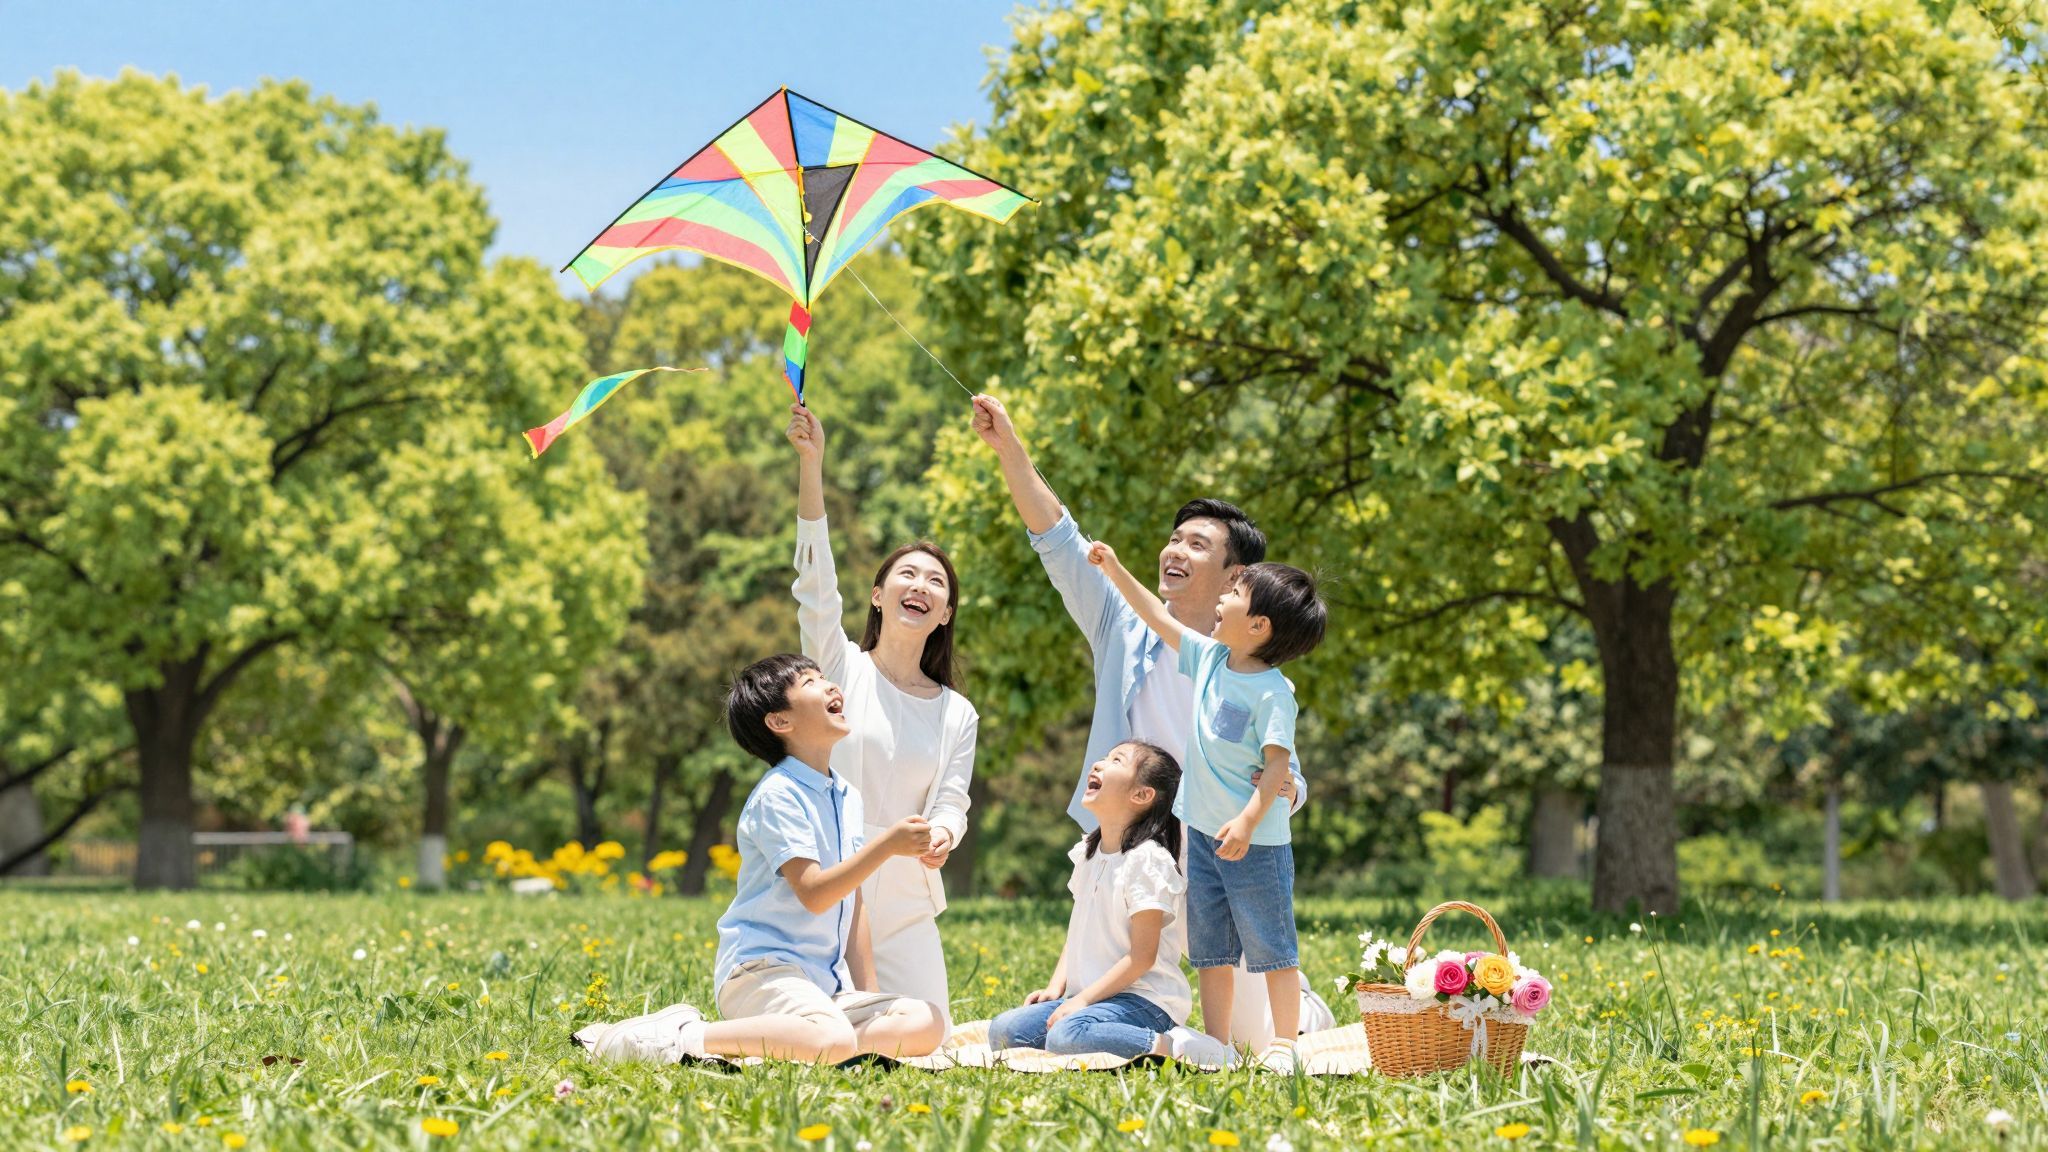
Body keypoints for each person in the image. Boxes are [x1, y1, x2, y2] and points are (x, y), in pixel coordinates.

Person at [969, 394, 1335, 1047]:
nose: (1174, 549)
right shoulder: (1123, 624)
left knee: (1252, 1038)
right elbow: (1058, 536)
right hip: (1142, 840)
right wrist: (1009, 449)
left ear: (1237, 576)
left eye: (1197, 543)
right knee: (1125, 1006)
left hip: (1223, 842)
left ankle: (1302, 1013)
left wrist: (1286, 789)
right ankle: (1145, 1027)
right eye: (1173, 538)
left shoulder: (1249, 666)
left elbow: (1288, 769)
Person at [574, 654, 945, 1064]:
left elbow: (852, 902)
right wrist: (887, 846)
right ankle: (683, 1034)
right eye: (810, 682)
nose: (830, 686)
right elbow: (816, 894)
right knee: (834, 1040)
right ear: (780, 721)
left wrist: (869, 998)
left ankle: (809, 1038)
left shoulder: (846, 796)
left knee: (926, 1022)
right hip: (762, 974)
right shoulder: (779, 795)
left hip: (823, 984)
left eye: (824, 678)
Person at [1090, 542, 1325, 1072]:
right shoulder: (1211, 658)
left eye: (1235, 593)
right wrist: (1115, 568)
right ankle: (1216, 1041)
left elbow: (1277, 768)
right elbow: (1153, 613)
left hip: (1256, 844)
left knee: (1273, 947)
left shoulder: (1272, 694)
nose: (1222, 597)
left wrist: (1246, 820)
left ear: (1259, 626)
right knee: (1211, 949)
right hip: (1200, 835)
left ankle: (1286, 1043)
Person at [786, 403, 978, 1030]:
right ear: (878, 594)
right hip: (828, 892)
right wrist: (811, 466)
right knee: (827, 1032)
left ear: (945, 612)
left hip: (904, 906)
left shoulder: (957, 713)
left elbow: (952, 799)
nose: (920, 585)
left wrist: (946, 833)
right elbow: (815, 588)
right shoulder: (840, 670)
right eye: (906, 574)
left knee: (931, 1035)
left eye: (935, 582)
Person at [988, 741, 1193, 1061]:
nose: (1098, 764)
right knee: (1005, 1031)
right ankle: (1092, 1029)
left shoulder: (1147, 861)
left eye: (1116, 760)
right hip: (1092, 999)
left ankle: (1176, 1047)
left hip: (1145, 1002)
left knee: (1068, 1036)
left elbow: (1143, 957)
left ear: (1141, 795)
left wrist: (1082, 1001)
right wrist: (1057, 988)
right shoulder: (1090, 852)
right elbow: (1079, 931)